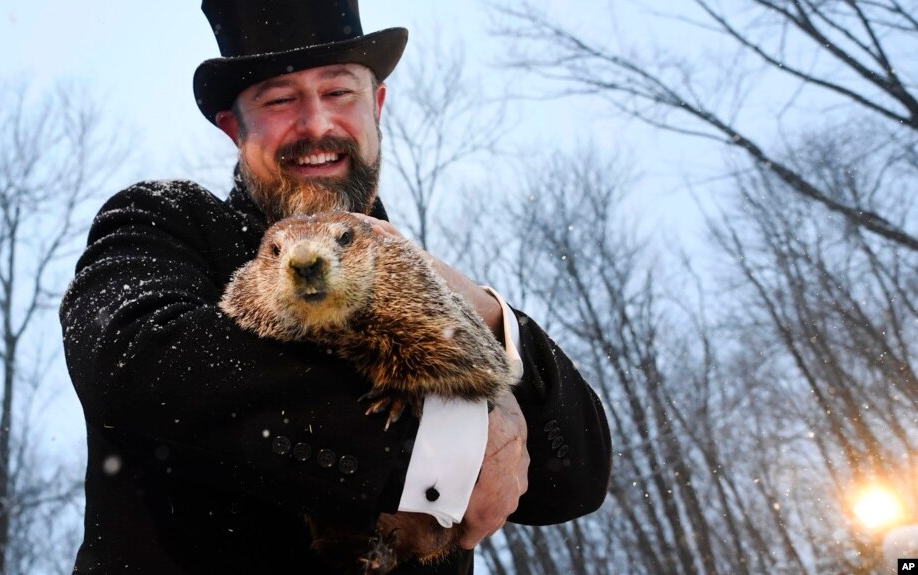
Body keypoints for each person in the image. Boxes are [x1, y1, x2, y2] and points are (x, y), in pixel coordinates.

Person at [59, 1, 611, 573]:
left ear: (377, 106)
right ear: (234, 128)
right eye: (279, 99)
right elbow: (132, 361)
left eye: (340, 92)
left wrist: (484, 316)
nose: (317, 125)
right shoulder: (166, 220)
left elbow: (575, 480)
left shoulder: (434, 283)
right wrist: (446, 448)